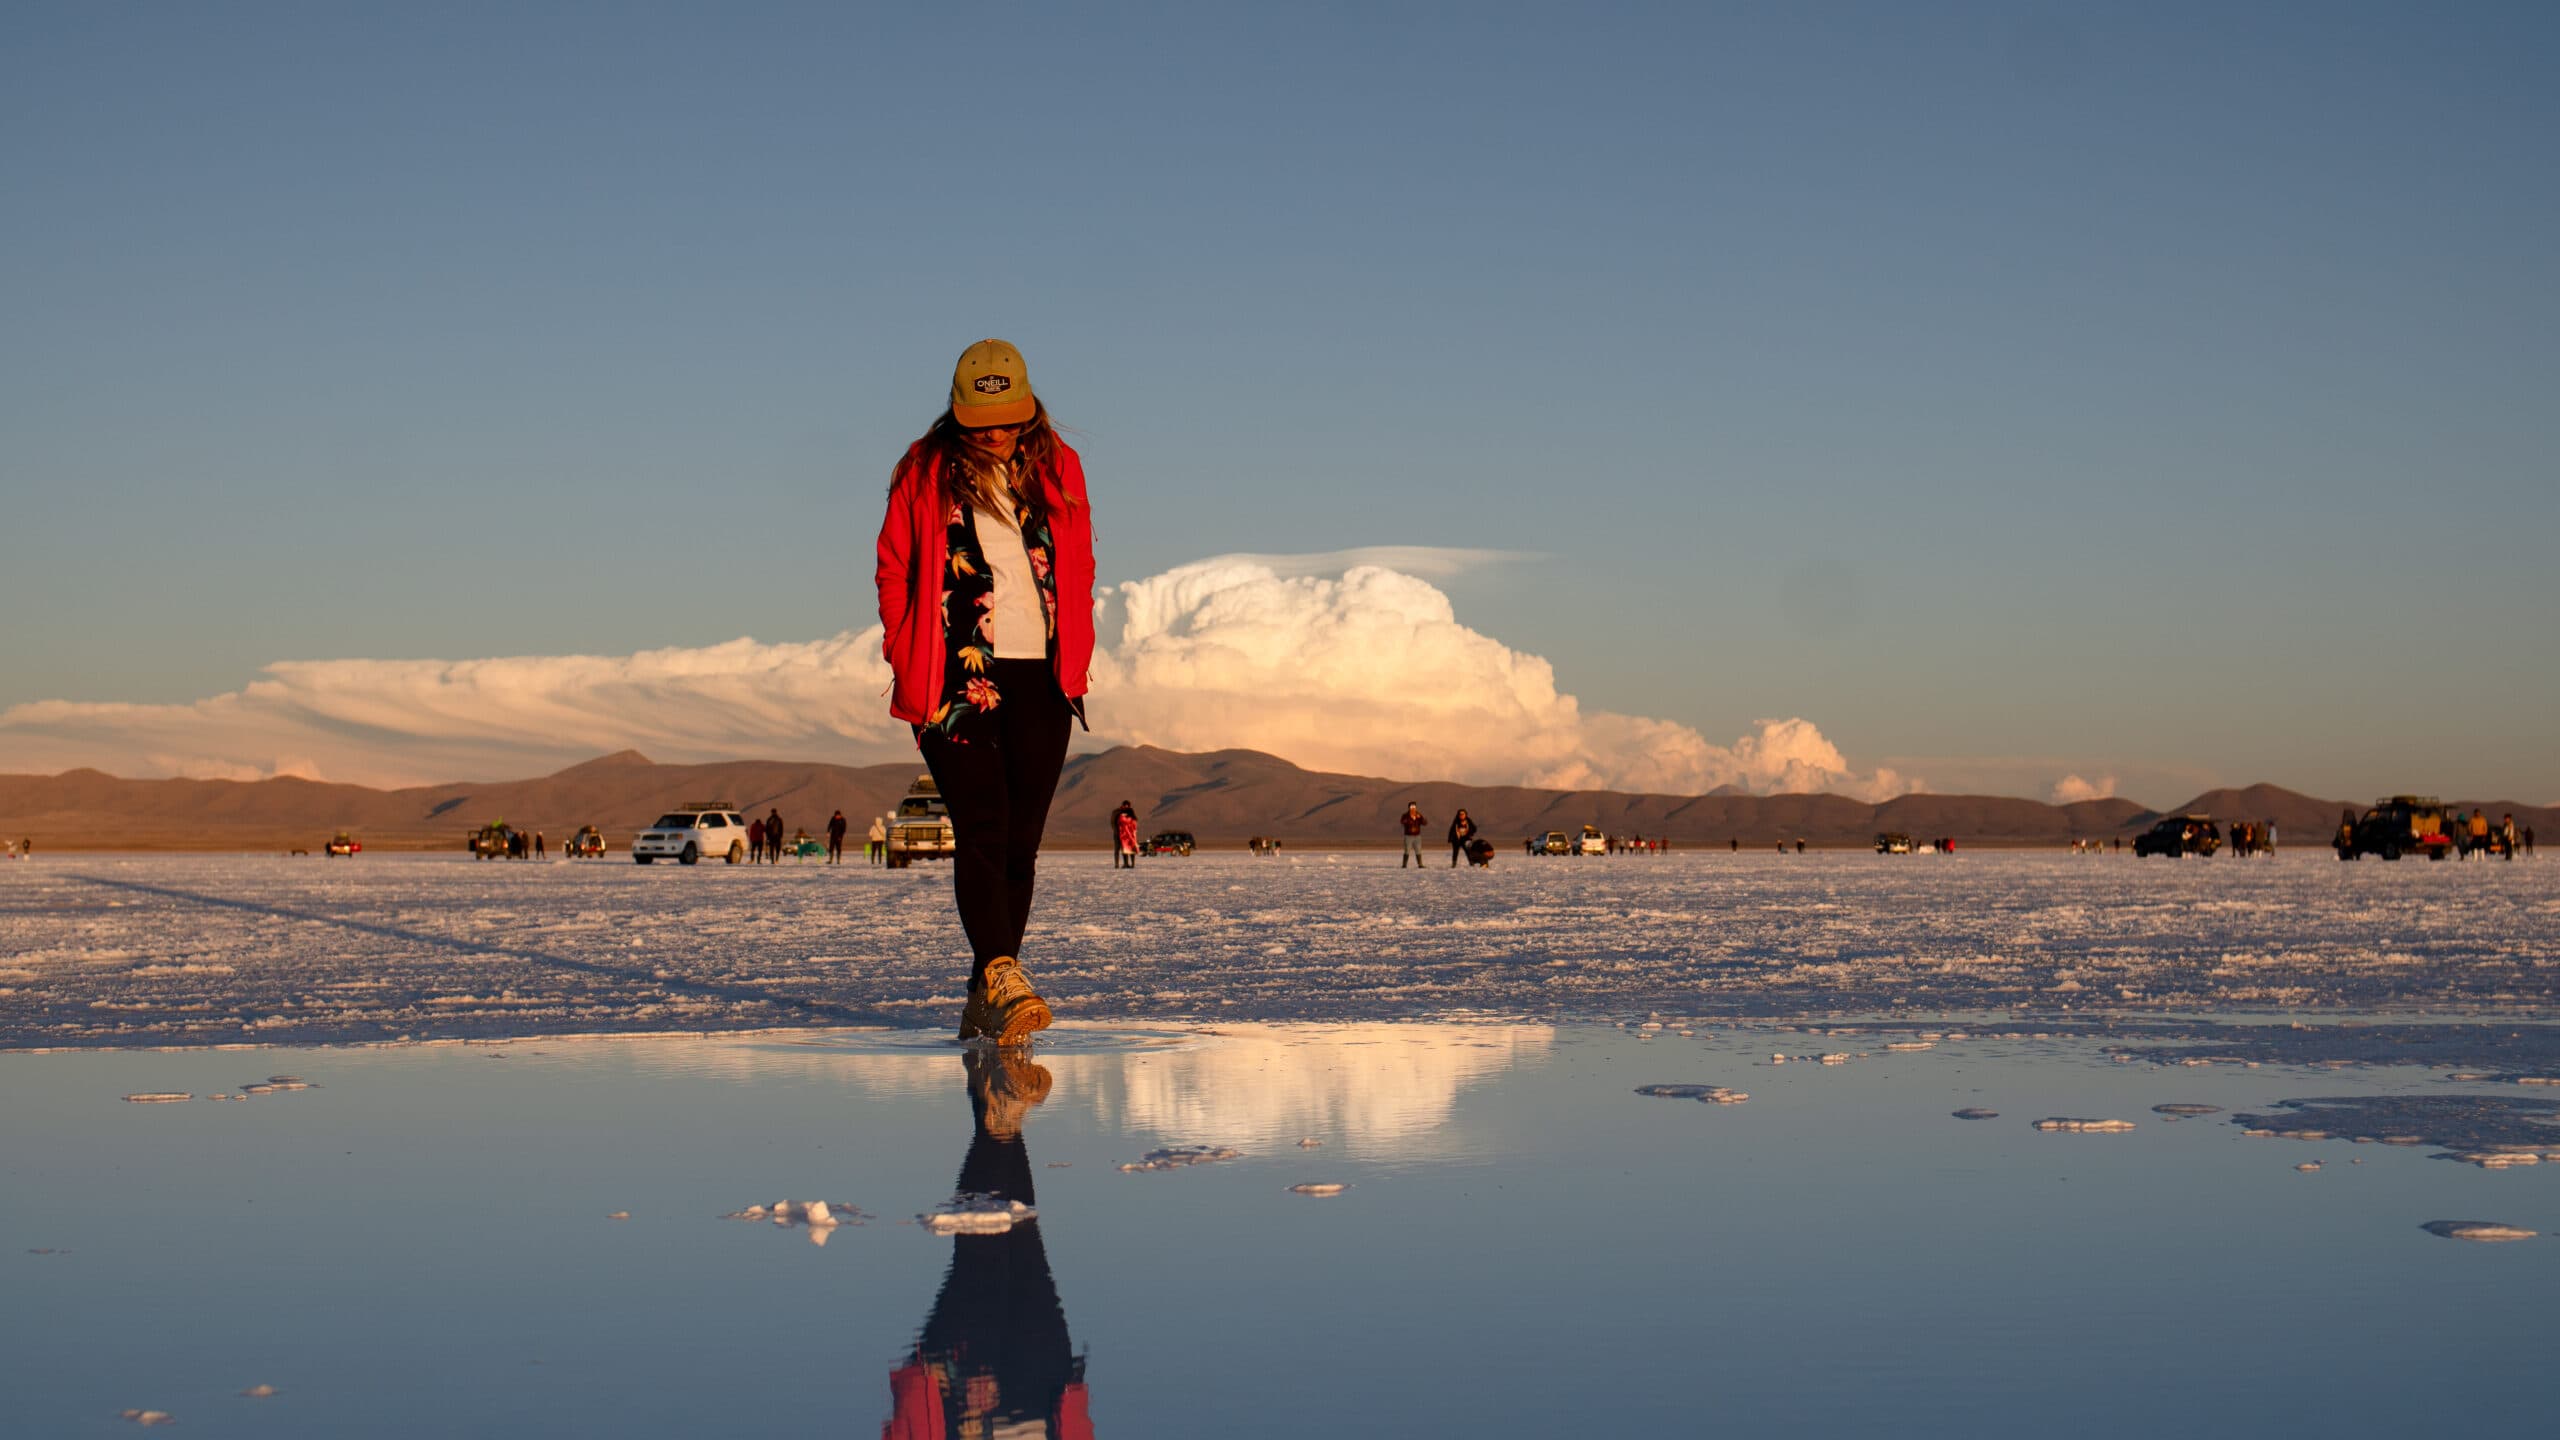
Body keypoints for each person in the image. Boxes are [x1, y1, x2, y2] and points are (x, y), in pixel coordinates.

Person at [875, 339, 1095, 1046]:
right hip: (953, 674)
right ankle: (1003, 973)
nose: (995, 432)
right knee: (983, 830)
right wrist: (906, 653)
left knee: (1020, 849)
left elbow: (1080, 563)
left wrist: (1079, 656)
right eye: (981, 420)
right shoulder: (923, 470)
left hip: (1042, 672)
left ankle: (984, 992)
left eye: (1006, 417)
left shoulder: (1059, 466)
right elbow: (893, 568)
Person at [1112, 801, 1138, 869]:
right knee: (1117, 849)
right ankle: (1117, 865)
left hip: (1127, 835)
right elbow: (1113, 823)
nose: (1126, 807)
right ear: (1123, 805)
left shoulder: (1130, 812)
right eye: (1125, 805)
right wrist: (1117, 832)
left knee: (1127, 849)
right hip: (1118, 834)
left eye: (1128, 806)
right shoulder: (1117, 812)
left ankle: (1127, 864)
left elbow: (1134, 824)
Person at [1400, 803, 1427, 868]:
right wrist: (1409, 818)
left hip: (1417, 836)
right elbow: (1402, 822)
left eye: (1414, 807)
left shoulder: (1418, 815)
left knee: (1418, 850)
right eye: (1411, 807)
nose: (1413, 808)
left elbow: (1425, 823)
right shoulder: (1405, 815)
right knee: (1407, 850)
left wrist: (1420, 818)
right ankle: (1404, 865)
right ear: (1409, 808)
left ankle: (1420, 864)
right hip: (1408, 836)